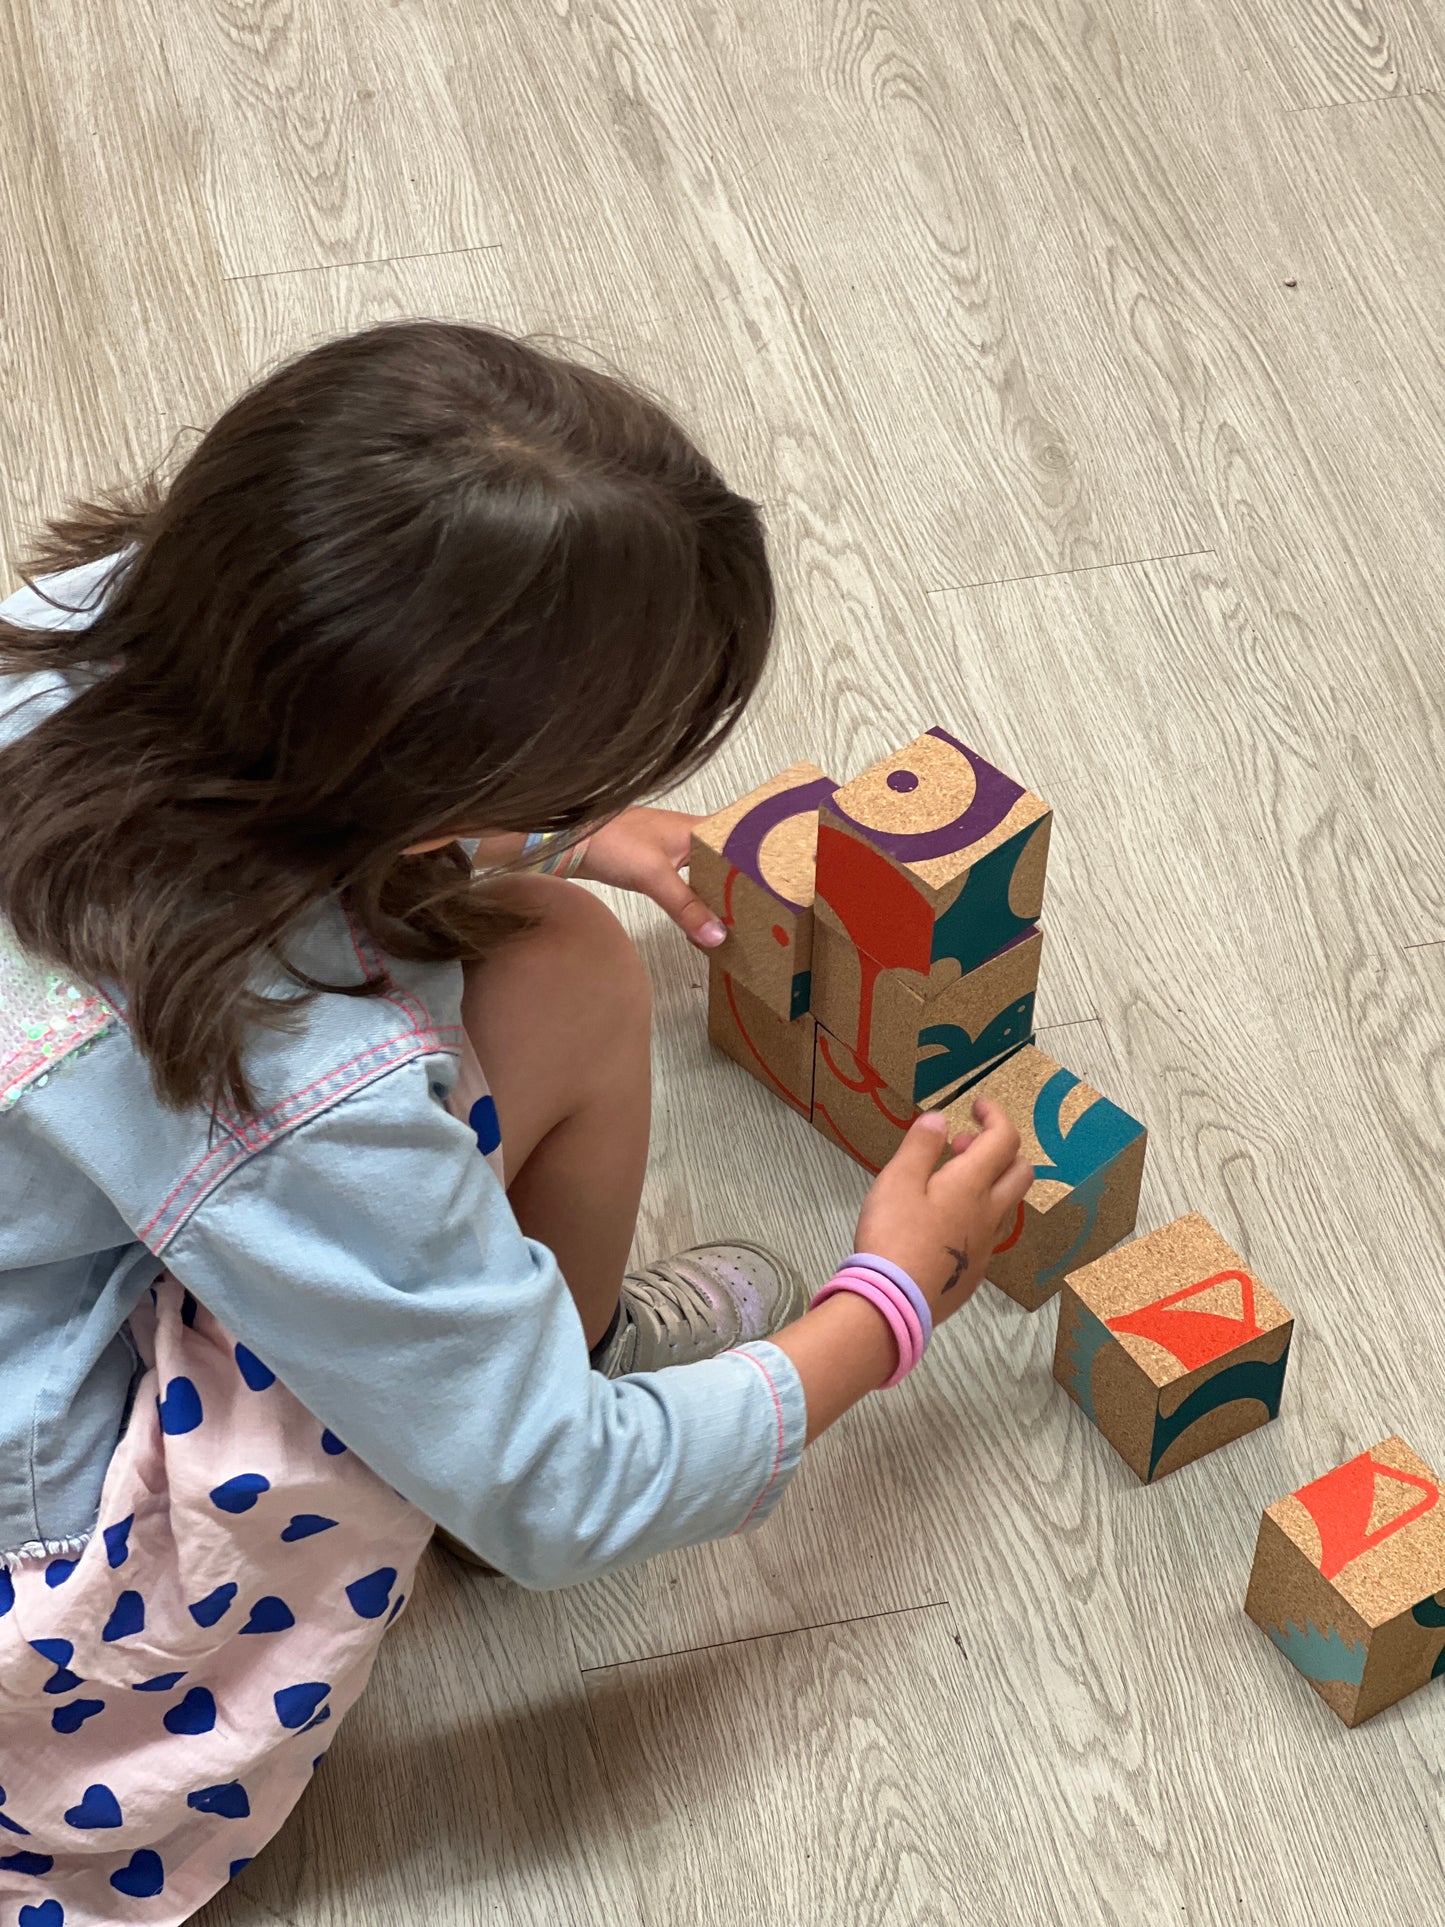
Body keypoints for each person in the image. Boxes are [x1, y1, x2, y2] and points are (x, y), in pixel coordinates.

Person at [0, 321, 1033, 1926]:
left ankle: (533, 1332)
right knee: (565, 977)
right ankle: (576, 1338)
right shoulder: (291, 1086)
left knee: (550, 936)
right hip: (40, 1555)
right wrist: (887, 1297)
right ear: (417, 772)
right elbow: (557, 1496)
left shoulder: (102, 611)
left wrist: (557, 816)